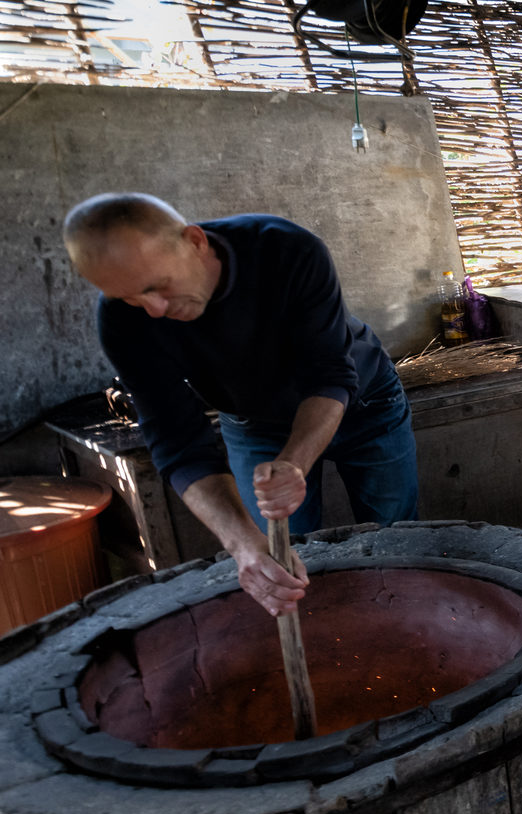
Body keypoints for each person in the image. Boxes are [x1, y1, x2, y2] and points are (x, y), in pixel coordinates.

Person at [62, 193, 419, 617]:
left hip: (366, 403)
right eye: (130, 298)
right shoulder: (122, 321)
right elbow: (179, 446)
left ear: (195, 241)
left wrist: (295, 462)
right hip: (255, 423)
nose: (153, 310)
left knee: (396, 537)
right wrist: (244, 547)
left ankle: (405, 623)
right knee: (279, 562)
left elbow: (330, 376)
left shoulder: (286, 249)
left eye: (158, 287)